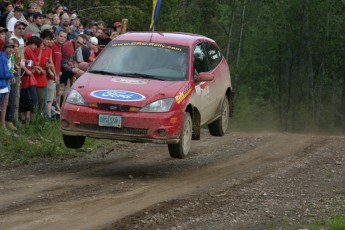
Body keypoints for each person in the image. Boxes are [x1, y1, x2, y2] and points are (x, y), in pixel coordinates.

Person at [19, 35, 41, 123]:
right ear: (31, 43)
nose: (35, 47)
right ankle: (31, 122)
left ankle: (25, 121)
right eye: (35, 45)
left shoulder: (25, 49)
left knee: (25, 101)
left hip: (27, 78)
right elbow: (36, 61)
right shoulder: (27, 49)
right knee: (32, 100)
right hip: (27, 79)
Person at [0, 40, 15, 132]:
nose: (11, 49)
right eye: (9, 47)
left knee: (5, 104)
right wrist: (11, 75)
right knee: (2, 105)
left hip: (6, 84)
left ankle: (3, 125)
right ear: (4, 47)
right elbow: (3, 73)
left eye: (12, 47)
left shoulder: (10, 57)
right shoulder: (2, 57)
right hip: (1, 85)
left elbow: (10, 70)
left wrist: (11, 74)